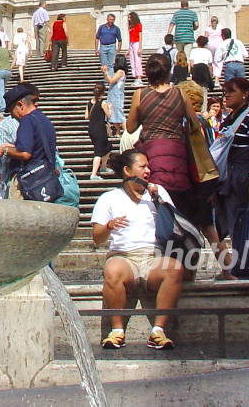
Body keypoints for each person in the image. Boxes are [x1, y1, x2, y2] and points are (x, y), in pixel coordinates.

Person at [92, 148, 185, 351]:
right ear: (127, 170)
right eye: (142, 166)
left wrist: (158, 201)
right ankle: (116, 331)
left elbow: (175, 225)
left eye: (148, 166)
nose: (148, 170)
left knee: (175, 268)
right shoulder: (109, 198)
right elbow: (97, 238)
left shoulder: (158, 193)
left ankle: (158, 331)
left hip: (153, 257)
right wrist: (109, 226)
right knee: (112, 270)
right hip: (123, 257)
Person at [126, 54, 197, 226]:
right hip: (177, 156)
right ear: (169, 71)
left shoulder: (140, 94)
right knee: (180, 206)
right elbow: (195, 124)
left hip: (151, 156)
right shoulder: (180, 93)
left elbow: (130, 127)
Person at [212, 77, 249, 252]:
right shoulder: (228, 119)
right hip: (228, 179)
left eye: (231, 91)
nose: (226, 95)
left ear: (245, 94)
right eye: (225, 92)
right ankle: (240, 261)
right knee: (234, 223)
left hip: (244, 177)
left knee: (248, 222)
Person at [0, 84, 62, 203]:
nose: (12, 117)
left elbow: (25, 153)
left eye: (12, 111)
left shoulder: (27, 121)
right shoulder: (44, 120)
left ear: (20, 105)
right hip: (45, 181)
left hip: (29, 183)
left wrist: (4, 150)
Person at [86, 82, 111, 180]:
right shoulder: (103, 103)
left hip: (91, 128)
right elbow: (109, 116)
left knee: (108, 147)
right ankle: (94, 174)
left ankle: (103, 167)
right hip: (100, 129)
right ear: (103, 92)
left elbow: (86, 116)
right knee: (98, 151)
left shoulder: (89, 102)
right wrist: (110, 109)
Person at [103, 59, 127, 139]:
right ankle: (118, 132)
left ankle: (126, 132)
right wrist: (105, 73)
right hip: (112, 94)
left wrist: (106, 72)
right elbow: (108, 80)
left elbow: (111, 81)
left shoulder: (120, 72)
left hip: (117, 95)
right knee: (114, 113)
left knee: (119, 113)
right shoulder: (117, 72)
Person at [126, 12, 143, 81]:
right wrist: (128, 49)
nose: (129, 19)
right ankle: (135, 76)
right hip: (131, 43)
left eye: (130, 17)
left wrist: (140, 47)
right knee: (132, 60)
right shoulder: (130, 26)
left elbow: (140, 36)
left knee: (137, 60)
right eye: (128, 18)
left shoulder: (138, 25)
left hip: (137, 42)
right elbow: (130, 37)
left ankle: (139, 77)